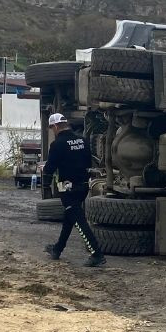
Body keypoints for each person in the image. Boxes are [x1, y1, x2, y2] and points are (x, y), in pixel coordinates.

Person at [42, 113, 106, 267]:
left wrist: (45, 184)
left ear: (55, 126)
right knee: (69, 217)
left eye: (52, 128)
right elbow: (88, 161)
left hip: (68, 188)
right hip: (83, 186)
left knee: (79, 220)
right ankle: (57, 249)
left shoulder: (57, 144)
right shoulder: (82, 140)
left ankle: (96, 254)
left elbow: (49, 168)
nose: (53, 131)